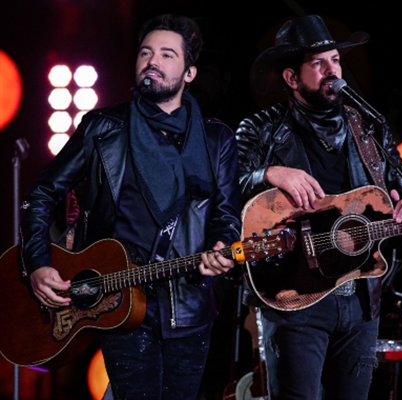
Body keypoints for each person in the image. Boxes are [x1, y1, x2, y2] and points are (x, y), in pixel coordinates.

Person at [19, 14, 242, 400]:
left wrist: (223, 247)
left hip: (189, 306)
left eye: (167, 54)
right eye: (145, 52)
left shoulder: (216, 138)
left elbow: (225, 214)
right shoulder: (102, 127)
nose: (152, 60)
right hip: (119, 303)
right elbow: (41, 193)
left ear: (189, 73)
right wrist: (37, 262)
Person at [235, 15, 402, 400]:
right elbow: (223, 189)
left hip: (360, 299)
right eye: (319, 63)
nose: (332, 70)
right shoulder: (260, 130)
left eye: (336, 61)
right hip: (293, 297)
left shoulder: (370, 128)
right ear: (292, 78)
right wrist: (270, 173)